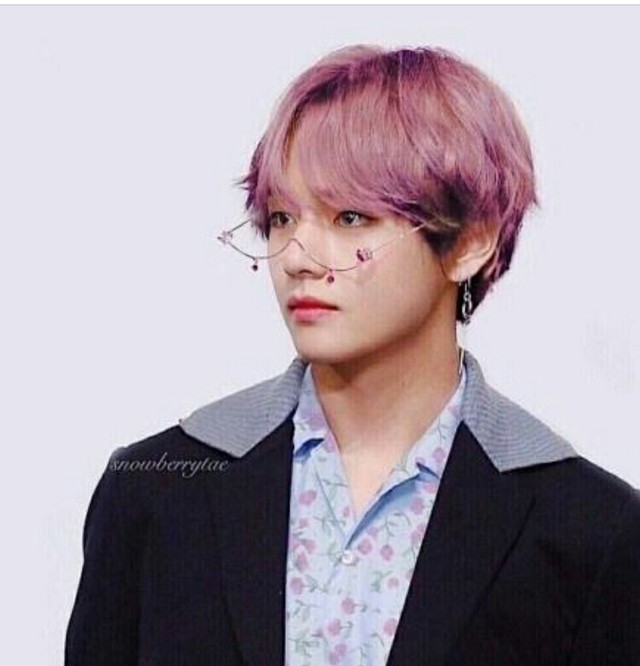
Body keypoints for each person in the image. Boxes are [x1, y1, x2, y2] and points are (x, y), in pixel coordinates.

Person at [65, 44, 640, 666]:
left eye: (350, 217)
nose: (297, 256)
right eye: (281, 218)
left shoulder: (590, 530)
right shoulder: (154, 488)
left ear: (469, 241)